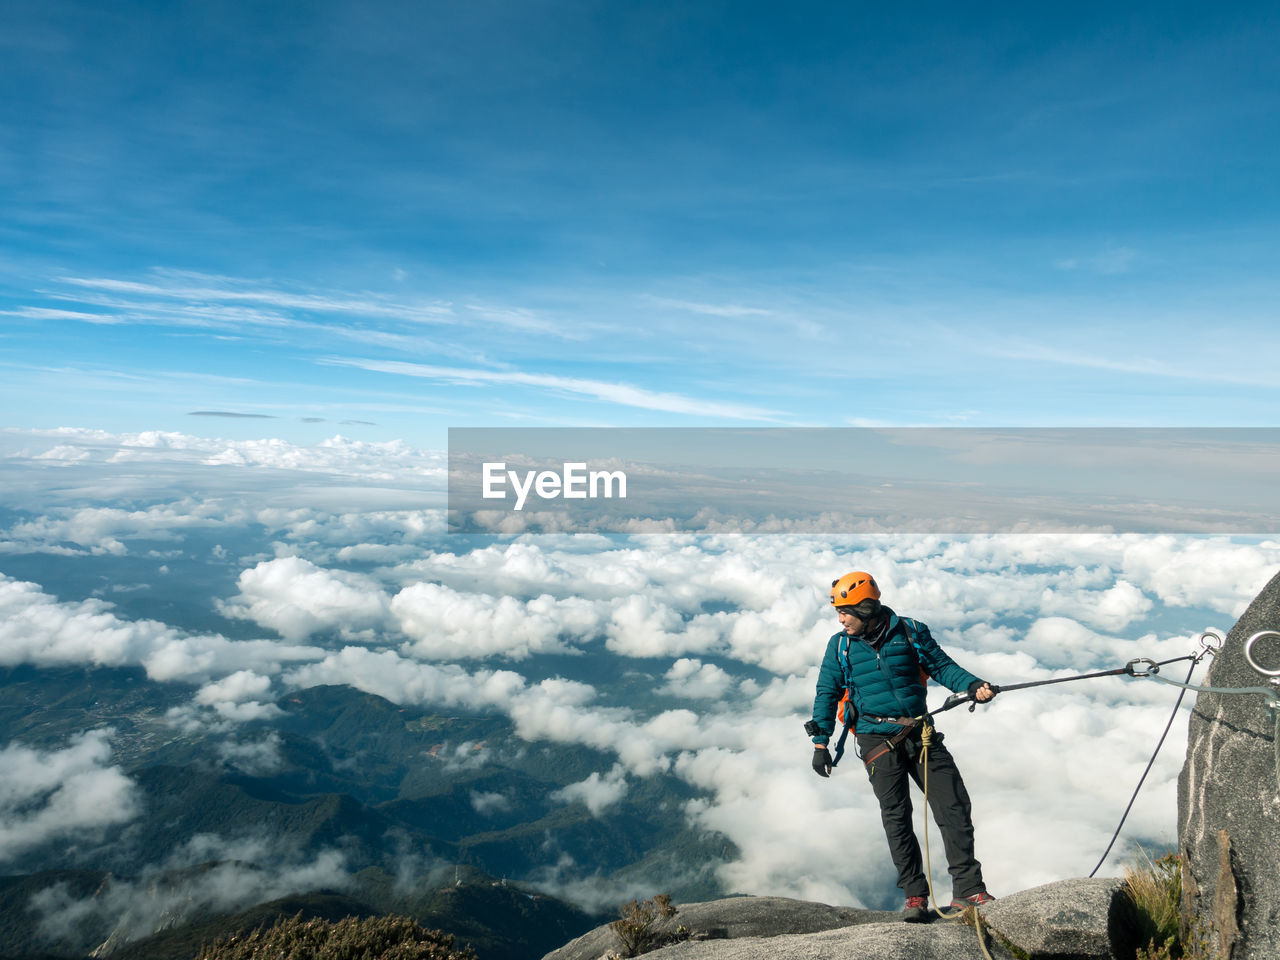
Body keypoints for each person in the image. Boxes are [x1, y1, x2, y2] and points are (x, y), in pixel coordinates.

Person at [806, 571, 996, 923]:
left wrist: (973, 685)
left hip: (920, 733)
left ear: (865, 608)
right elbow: (827, 691)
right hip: (876, 740)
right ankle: (915, 896)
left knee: (953, 805)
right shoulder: (840, 646)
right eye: (839, 612)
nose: (841, 619)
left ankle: (968, 890)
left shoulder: (910, 631)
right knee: (897, 818)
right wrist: (821, 741)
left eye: (846, 611)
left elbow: (940, 666)